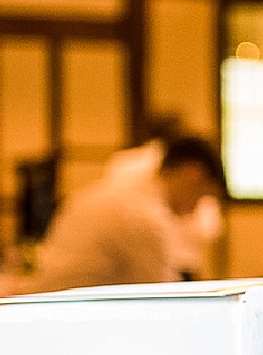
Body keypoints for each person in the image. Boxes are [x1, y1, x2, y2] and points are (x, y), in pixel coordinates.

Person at [33, 136, 226, 291]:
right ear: (193, 175)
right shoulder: (144, 216)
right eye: (202, 197)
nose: (193, 211)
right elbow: (162, 298)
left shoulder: (109, 194)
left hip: (55, 309)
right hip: (76, 320)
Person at [107, 116, 226, 278]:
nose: (194, 207)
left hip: (168, 262)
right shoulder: (146, 213)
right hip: (173, 261)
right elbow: (209, 229)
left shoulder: (125, 164)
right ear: (193, 175)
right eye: (201, 198)